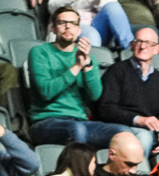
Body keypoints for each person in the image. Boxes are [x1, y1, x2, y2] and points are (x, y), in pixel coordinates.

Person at [26, 8, 116, 148]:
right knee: (77, 130)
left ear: (79, 30)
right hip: (46, 121)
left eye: (73, 23)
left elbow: (94, 95)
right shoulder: (40, 52)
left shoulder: (89, 58)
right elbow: (46, 92)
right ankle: (81, 170)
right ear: (53, 29)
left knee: (123, 133)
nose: (68, 27)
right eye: (62, 22)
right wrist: (76, 67)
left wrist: (86, 66)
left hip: (80, 120)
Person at [95, 27, 159, 158]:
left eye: (149, 43)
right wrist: (138, 120)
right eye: (139, 41)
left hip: (153, 133)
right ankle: (136, 175)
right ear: (132, 45)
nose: (143, 46)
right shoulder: (116, 71)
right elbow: (105, 109)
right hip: (124, 128)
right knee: (143, 136)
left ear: (157, 49)